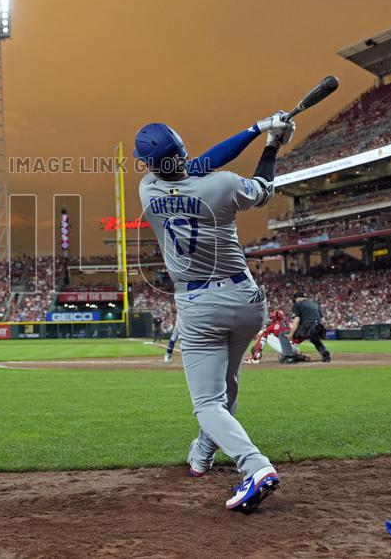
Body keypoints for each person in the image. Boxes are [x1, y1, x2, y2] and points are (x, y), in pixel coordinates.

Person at [135, 112, 294, 513]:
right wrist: (270, 141)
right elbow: (263, 186)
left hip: (199, 304)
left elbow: (193, 167)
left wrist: (259, 128)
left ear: (150, 165)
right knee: (227, 384)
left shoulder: (147, 190)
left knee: (208, 401)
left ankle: (255, 466)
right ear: (182, 151)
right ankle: (202, 455)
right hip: (246, 300)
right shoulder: (222, 186)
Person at [289, 291, 331, 362]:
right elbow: (323, 320)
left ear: (297, 298)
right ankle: (325, 354)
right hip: (318, 326)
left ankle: (290, 355)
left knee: (287, 335)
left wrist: (291, 334)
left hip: (307, 326)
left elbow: (296, 320)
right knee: (315, 339)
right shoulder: (315, 304)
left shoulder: (297, 304)